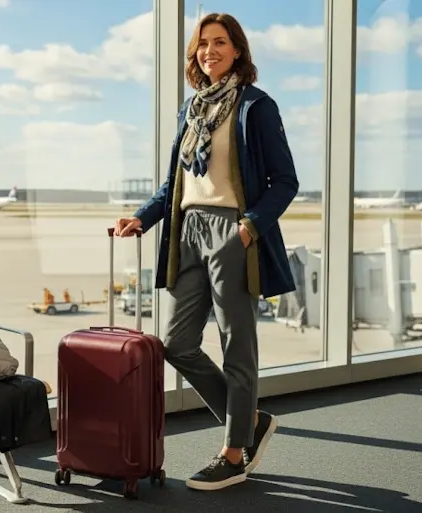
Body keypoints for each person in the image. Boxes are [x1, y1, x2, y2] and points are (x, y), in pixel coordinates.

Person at [114, 12, 299, 492]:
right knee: (176, 343)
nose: (209, 51)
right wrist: (144, 216)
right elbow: (176, 181)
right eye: (202, 44)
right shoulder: (193, 107)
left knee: (237, 343)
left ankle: (234, 453)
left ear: (238, 49)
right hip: (186, 230)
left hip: (231, 230)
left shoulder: (256, 106)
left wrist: (247, 229)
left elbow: (285, 181)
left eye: (220, 42)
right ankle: (250, 423)